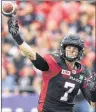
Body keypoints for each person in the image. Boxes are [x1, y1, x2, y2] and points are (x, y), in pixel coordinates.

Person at [7, 16, 96, 112]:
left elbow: (92, 102)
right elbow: (32, 55)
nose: (71, 51)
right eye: (69, 48)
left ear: (80, 52)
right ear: (63, 49)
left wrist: (93, 90)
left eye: (75, 49)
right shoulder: (54, 61)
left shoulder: (84, 71)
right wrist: (17, 38)